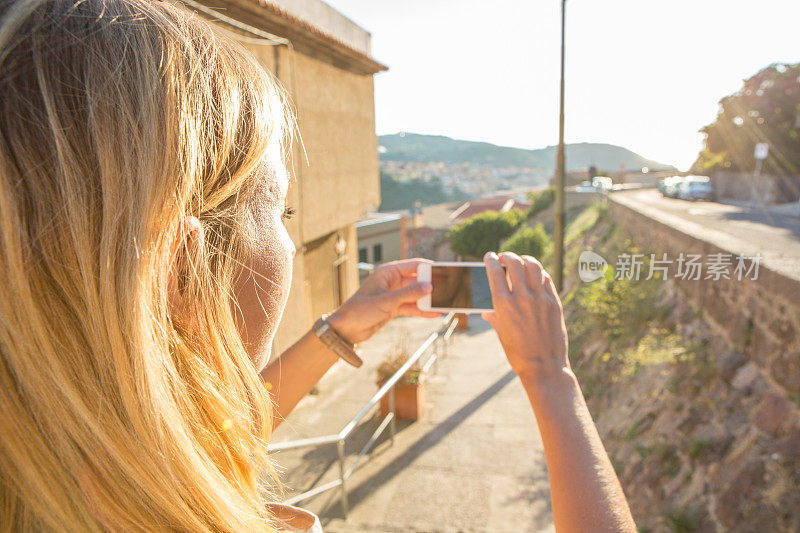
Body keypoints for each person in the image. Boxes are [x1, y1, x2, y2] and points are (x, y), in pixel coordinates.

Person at [0, 0, 635, 531]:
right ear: (185, 271)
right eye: (281, 212)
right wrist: (552, 377)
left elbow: (202, 433)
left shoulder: (60, 463)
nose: (286, 234)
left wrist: (342, 328)